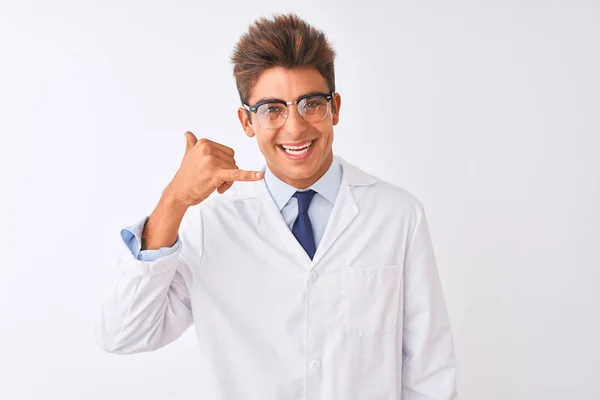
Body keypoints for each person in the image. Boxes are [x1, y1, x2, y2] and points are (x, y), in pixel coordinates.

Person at [97, 13, 458, 400]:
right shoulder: (212, 224)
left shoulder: (396, 215)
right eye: (273, 109)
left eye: (311, 104)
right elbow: (125, 334)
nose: (295, 127)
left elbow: (429, 372)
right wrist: (174, 201)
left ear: (335, 108)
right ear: (246, 122)